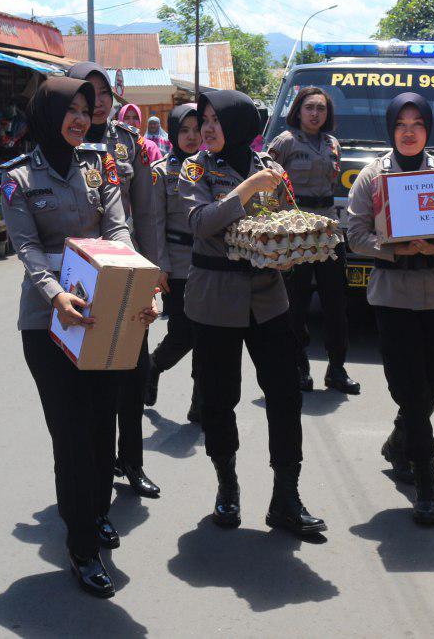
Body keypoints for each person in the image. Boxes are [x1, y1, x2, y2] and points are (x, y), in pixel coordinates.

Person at [2, 76, 157, 599]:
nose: (79, 119)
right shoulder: (18, 177)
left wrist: (136, 284)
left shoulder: (100, 164)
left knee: (101, 425)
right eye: (70, 110)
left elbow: (118, 229)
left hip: (103, 311)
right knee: (71, 434)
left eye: (85, 111)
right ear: (48, 115)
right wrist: (55, 295)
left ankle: (94, 512)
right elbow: (27, 248)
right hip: (47, 321)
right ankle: (82, 545)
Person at [179, 90, 326, 536]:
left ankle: (286, 497)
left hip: (267, 297)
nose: (207, 129)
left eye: (216, 120)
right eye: (204, 120)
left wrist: (292, 247)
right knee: (218, 397)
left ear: (239, 125)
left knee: (286, 394)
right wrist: (247, 189)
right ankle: (227, 485)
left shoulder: (269, 167)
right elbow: (200, 222)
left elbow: (283, 222)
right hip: (216, 297)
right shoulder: (195, 168)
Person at [346, 92, 434, 527]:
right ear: (391, 130)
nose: (409, 132)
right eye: (401, 124)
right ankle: (426, 482)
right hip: (393, 295)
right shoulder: (372, 177)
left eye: (417, 124)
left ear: (428, 130)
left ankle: (398, 443)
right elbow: (354, 234)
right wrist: (393, 248)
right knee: (410, 389)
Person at [66, 62, 161, 499]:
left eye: (104, 93)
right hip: (81, 276)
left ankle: (132, 462)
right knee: (85, 376)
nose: (98, 101)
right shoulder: (62, 140)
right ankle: (91, 468)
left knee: (134, 371)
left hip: (127, 269)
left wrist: (155, 272)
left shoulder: (129, 142)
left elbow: (147, 211)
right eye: (89, 93)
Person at [267, 86, 358, 395]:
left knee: (336, 301)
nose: (315, 113)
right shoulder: (285, 142)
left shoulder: (333, 144)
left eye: (321, 108)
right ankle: (298, 366)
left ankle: (337, 369)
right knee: (296, 302)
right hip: (295, 230)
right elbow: (267, 184)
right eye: (309, 107)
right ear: (298, 110)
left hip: (328, 228)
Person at [144, 103, 202, 420]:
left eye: (197, 129)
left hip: (210, 263)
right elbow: (155, 223)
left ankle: (200, 402)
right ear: (173, 133)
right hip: (176, 264)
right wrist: (160, 266)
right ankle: (154, 365)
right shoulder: (161, 172)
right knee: (182, 334)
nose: (192, 136)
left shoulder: (214, 168)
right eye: (184, 130)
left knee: (207, 335)